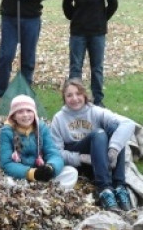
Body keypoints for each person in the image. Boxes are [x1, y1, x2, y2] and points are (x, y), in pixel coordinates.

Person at [51, 78, 134, 211]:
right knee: (99, 133)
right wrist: (81, 158)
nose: (75, 98)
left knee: (116, 129)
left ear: (84, 95)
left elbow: (128, 124)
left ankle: (119, 186)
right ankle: (104, 190)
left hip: (101, 160)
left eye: (78, 93)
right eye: (69, 95)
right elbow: (56, 152)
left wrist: (114, 150)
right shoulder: (58, 118)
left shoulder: (95, 111)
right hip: (79, 161)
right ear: (64, 98)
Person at [62, 0, 118, 107]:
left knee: (97, 68)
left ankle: (98, 100)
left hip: (97, 33)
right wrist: (75, 17)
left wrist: (102, 18)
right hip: (78, 32)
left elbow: (113, 4)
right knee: (75, 67)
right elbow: (66, 5)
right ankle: (75, 100)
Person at [0, 95, 78, 189]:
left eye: (29, 110)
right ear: (14, 116)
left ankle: (49, 189)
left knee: (71, 172)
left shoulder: (42, 128)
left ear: (34, 113)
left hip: (42, 170)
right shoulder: (7, 131)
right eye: (20, 112)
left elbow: (53, 153)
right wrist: (32, 173)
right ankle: (32, 191)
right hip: (21, 175)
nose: (25, 115)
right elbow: (6, 163)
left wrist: (50, 168)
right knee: (7, 182)